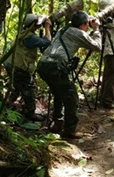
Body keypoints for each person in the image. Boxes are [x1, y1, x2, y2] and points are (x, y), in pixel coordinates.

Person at [37, 11, 101, 139]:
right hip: (55, 67)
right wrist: (97, 29)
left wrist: (92, 30)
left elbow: (83, 37)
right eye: (87, 24)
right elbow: (98, 46)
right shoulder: (78, 32)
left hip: (43, 65)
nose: (88, 26)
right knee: (71, 97)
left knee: (59, 93)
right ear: (83, 24)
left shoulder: (64, 29)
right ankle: (69, 130)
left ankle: (57, 123)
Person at [9, 14, 52, 121]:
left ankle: (8, 105)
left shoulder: (24, 33)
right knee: (29, 89)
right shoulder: (30, 37)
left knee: (17, 87)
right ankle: (30, 113)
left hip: (15, 65)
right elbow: (47, 42)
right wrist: (47, 27)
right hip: (21, 68)